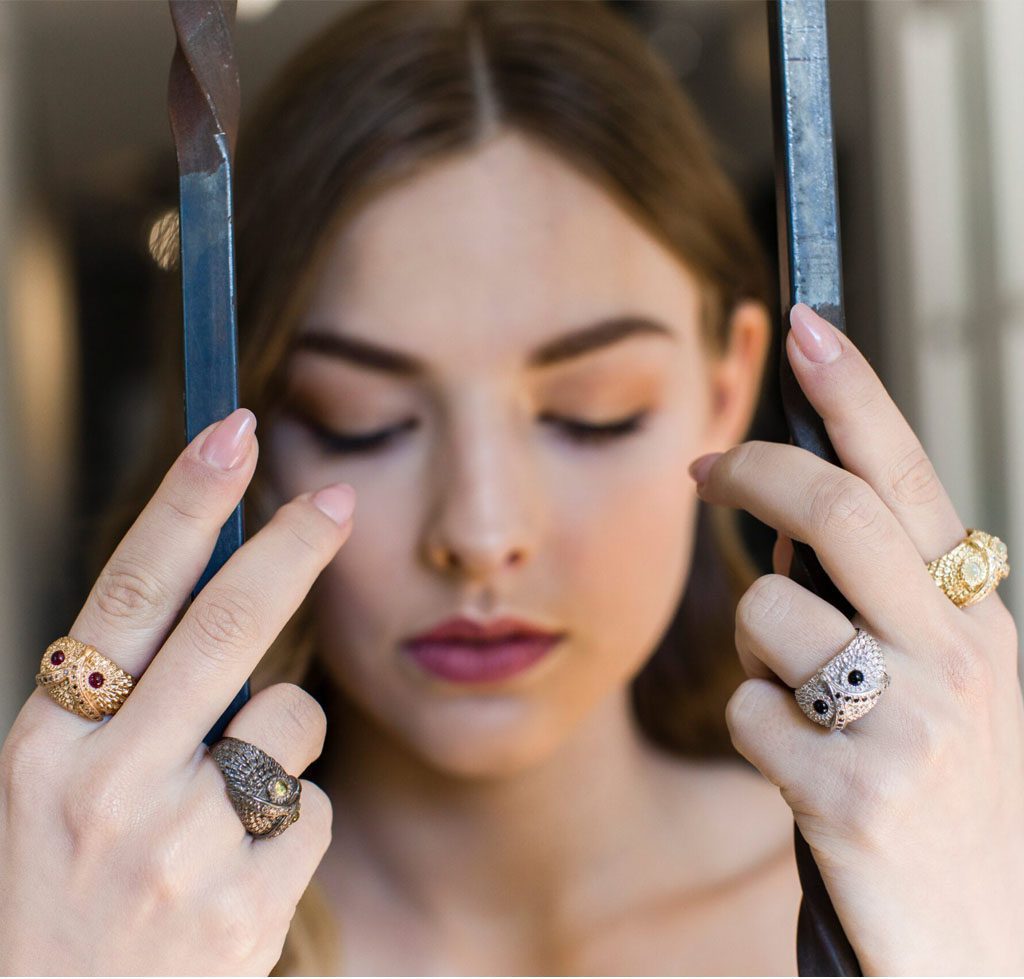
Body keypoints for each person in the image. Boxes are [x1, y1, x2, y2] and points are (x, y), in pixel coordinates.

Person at [2, 1, 1022, 975]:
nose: (481, 533)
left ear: (728, 382)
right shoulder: (132, 927)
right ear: (257, 437)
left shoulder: (918, 890)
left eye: (592, 410)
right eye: (363, 419)